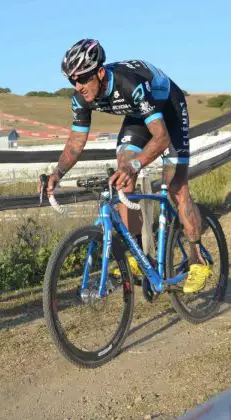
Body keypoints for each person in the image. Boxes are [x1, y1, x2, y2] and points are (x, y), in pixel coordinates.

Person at [41, 38, 210, 293]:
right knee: (122, 176)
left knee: (176, 187)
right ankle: (137, 256)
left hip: (169, 109)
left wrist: (137, 164)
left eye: (83, 78)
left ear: (99, 72)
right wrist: (57, 172)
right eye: (72, 80)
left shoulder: (130, 84)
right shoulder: (81, 98)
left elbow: (162, 138)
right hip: (139, 114)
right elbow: (76, 142)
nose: (78, 86)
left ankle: (199, 261)